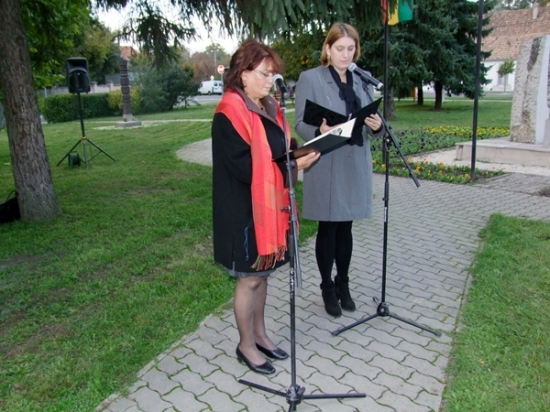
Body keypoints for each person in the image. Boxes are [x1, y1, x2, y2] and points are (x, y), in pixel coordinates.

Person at [211, 40, 319, 375]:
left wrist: (300, 153)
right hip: (243, 213)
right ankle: (245, 345)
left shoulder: (269, 106)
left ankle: (260, 335)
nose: (270, 80)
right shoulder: (229, 113)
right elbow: (246, 168)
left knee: (263, 274)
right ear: (242, 74)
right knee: (249, 279)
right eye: (263, 73)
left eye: (273, 74)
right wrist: (293, 166)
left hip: (269, 210)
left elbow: (279, 150)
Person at [294, 22, 384, 318]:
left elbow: (371, 122)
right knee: (328, 227)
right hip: (327, 161)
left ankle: (343, 283)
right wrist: (319, 130)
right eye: (340, 48)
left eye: (350, 49)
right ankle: (327, 287)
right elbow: (300, 123)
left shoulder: (361, 80)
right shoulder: (311, 78)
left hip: (355, 163)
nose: (346, 55)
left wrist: (377, 126)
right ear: (328, 49)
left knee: (346, 227)